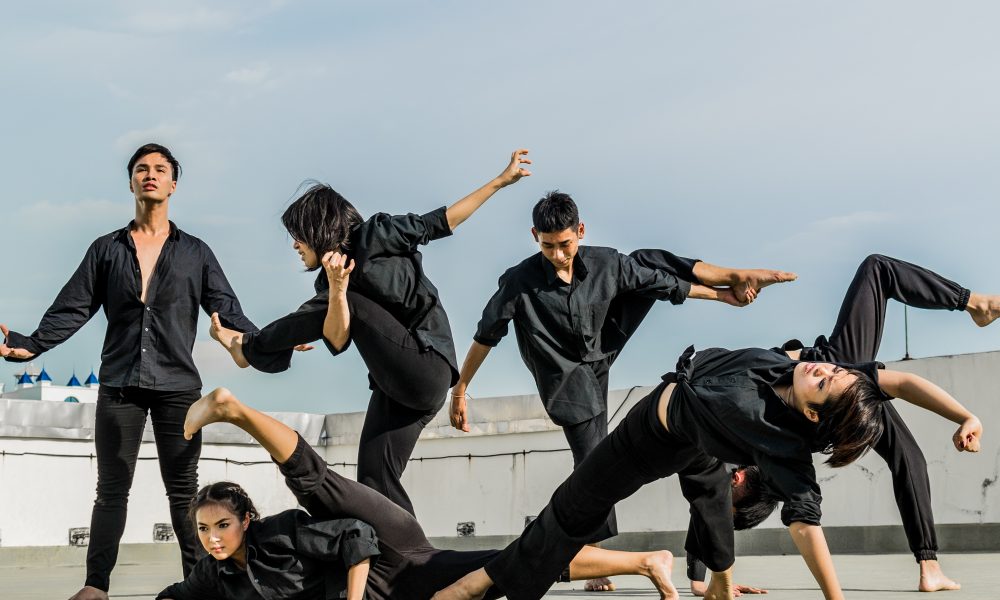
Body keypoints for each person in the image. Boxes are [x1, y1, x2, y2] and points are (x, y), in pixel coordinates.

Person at [433, 340, 983, 599]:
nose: (821, 367)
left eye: (824, 381)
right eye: (832, 369)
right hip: (677, 429)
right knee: (578, 507)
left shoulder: (775, 435)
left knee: (707, 502)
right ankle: (716, 583)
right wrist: (964, 414)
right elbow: (901, 383)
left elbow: (805, 523)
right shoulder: (808, 379)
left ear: (815, 412)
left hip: (657, 437)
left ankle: (479, 582)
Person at [448, 191, 796, 591]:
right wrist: (460, 390)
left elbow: (662, 284)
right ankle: (597, 556)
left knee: (647, 262)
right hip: (564, 378)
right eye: (548, 247)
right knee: (595, 459)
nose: (559, 256)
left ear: (580, 231)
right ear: (534, 237)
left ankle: (732, 274)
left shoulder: (603, 262)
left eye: (565, 245)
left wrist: (722, 297)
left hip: (602, 347)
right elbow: (485, 336)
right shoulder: (518, 282)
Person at [208, 150, 531, 517]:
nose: (295, 246)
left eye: (298, 236)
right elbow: (339, 338)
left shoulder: (377, 233)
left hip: (427, 366)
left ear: (318, 229)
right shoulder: (328, 281)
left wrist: (500, 181)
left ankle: (249, 348)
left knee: (346, 300)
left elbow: (441, 222)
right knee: (375, 482)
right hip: (393, 386)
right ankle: (413, 562)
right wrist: (336, 289)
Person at [0, 144, 257, 600]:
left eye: (160, 169)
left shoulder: (196, 252)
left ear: (174, 184)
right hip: (120, 385)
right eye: (142, 169)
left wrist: (269, 342)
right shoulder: (105, 250)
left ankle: (202, 587)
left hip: (179, 387)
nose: (150, 175)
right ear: (132, 182)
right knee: (111, 489)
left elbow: (228, 310)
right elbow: (71, 307)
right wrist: (30, 345)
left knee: (184, 493)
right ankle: (95, 586)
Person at [157, 387, 685, 600]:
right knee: (514, 564)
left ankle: (234, 410)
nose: (211, 537)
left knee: (315, 482)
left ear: (246, 519)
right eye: (203, 530)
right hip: (409, 580)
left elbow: (358, 539)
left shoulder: (280, 532)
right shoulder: (216, 575)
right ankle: (647, 561)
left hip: (389, 545)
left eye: (220, 524)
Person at [686, 254, 1000, 594]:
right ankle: (975, 304)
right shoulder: (775, 449)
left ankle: (930, 567)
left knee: (908, 456)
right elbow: (903, 383)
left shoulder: (751, 453)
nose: (729, 478)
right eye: (731, 489)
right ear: (745, 491)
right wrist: (965, 416)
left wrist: (698, 582)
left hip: (833, 405)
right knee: (877, 269)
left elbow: (706, 500)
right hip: (828, 376)